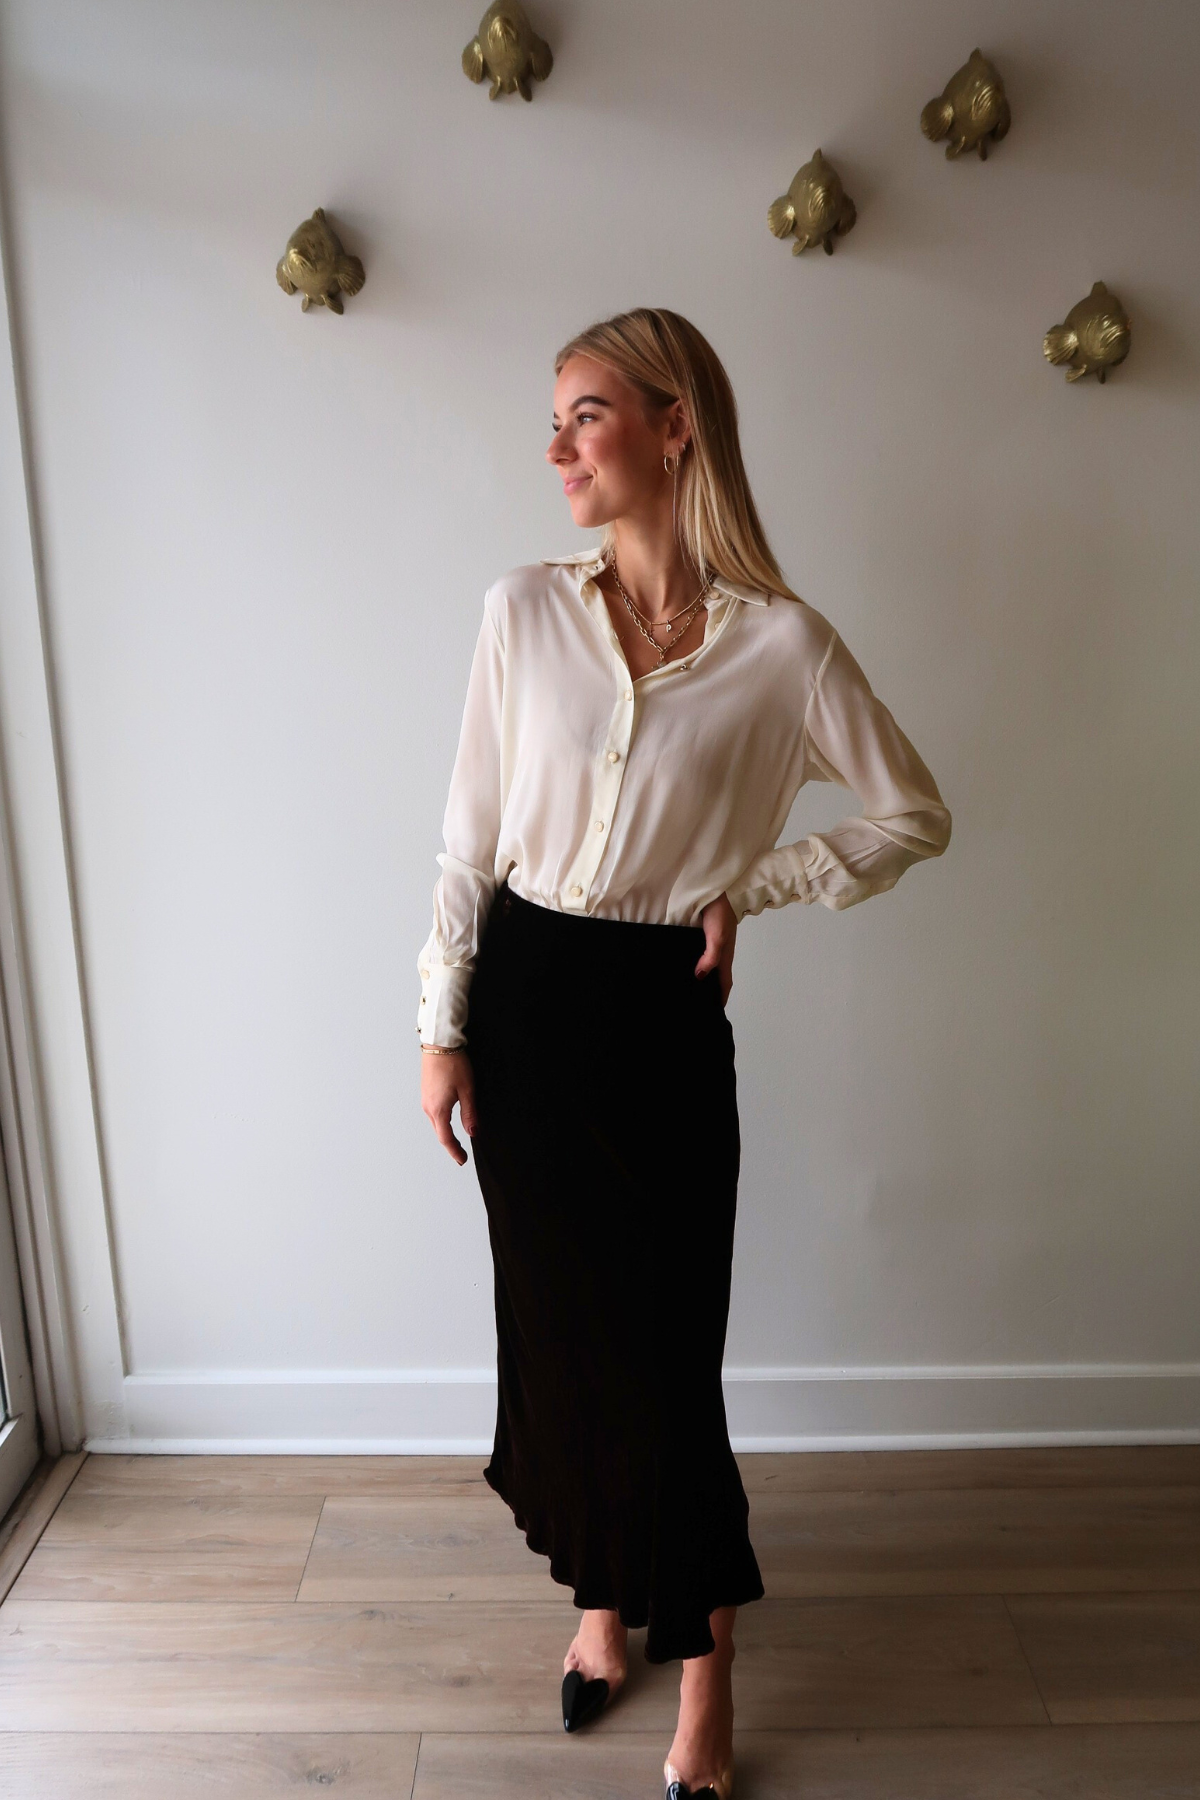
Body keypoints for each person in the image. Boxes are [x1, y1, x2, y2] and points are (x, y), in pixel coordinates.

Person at [417, 306, 951, 1800]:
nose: (558, 445)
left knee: (664, 1364)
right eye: (555, 418)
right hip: (522, 998)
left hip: (656, 1015)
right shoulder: (520, 610)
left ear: (675, 425)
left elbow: (912, 810)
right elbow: (465, 842)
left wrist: (754, 884)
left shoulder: (784, 647)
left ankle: (705, 1684)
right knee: (567, 1344)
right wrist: (437, 1027)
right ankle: (603, 1614)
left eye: (587, 412)